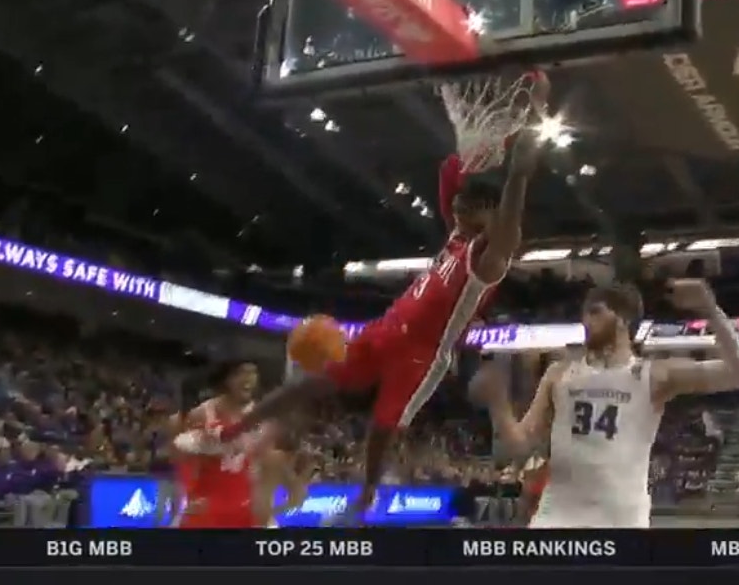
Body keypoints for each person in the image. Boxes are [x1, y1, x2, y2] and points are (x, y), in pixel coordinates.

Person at [215, 86, 546, 523]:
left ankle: (368, 493)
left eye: (467, 208)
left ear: (488, 213)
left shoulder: (489, 259)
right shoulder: (458, 235)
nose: (456, 210)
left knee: (383, 425)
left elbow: (508, 229)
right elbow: (449, 175)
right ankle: (232, 432)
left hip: (422, 354)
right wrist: (485, 141)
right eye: (458, 207)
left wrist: (518, 175)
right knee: (311, 383)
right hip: (385, 329)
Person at [473, 279, 739, 527]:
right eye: (584, 313)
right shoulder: (559, 373)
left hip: (621, 521)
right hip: (557, 516)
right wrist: (498, 404)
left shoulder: (654, 375)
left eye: (595, 312)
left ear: (622, 319)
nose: (586, 321)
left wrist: (709, 309)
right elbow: (520, 446)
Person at [172, 361, 276, 528]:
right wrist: (188, 497)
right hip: (206, 505)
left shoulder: (261, 417)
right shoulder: (201, 414)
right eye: (241, 373)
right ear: (226, 379)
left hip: (245, 506)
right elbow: (183, 461)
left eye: (253, 372)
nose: (248, 378)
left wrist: (264, 502)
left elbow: (266, 466)